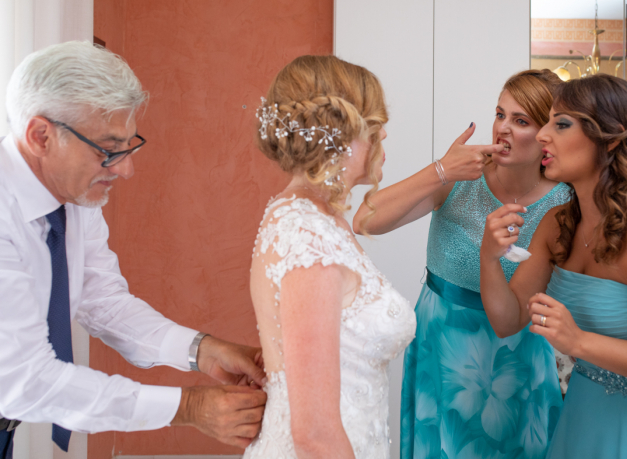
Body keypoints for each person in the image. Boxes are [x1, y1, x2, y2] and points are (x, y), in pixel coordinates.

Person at [0, 41, 267, 459]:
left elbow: (103, 301)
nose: (125, 168)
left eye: (128, 145)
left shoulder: (75, 194)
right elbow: (25, 380)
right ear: (41, 136)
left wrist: (202, 350)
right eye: (108, 150)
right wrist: (187, 407)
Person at [480, 73, 627, 458]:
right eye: (546, 122)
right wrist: (489, 257)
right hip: (583, 418)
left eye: (561, 124)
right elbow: (507, 320)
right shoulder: (558, 223)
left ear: (611, 138)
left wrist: (579, 342)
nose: (543, 135)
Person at [354, 69, 570, 459]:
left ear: (546, 138)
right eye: (500, 114)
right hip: (443, 345)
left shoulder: (564, 205)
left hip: (516, 352)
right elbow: (366, 220)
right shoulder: (463, 175)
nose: (502, 128)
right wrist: (441, 169)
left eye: (520, 121)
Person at [243, 55, 416, 459]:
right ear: (340, 134)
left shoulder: (317, 218)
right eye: (373, 128)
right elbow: (315, 434)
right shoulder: (308, 240)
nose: (384, 136)